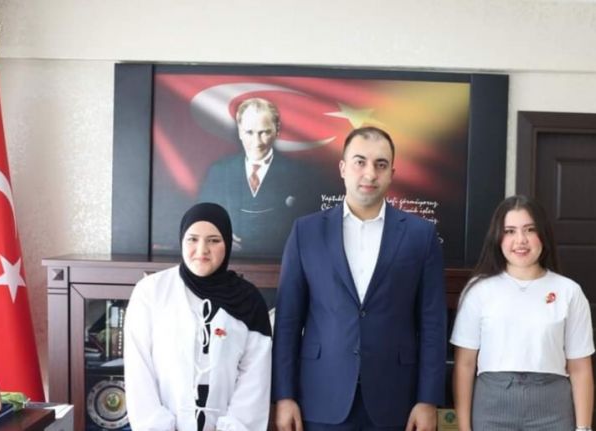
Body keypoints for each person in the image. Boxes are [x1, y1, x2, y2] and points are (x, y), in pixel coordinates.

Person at [272, 126, 446, 431]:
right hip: (320, 397)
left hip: (397, 401)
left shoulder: (421, 235)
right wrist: (284, 396)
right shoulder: (306, 232)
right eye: (360, 162)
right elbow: (287, 321)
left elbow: (433, 325)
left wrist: (427, 400)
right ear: (342, 168)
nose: (370, 173)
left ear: (392, 173)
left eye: (380, 164)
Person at [450, 195, 595, 431]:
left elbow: (580, 368)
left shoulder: (569, 291)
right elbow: (464, 365)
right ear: (498, 237)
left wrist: (584, 428)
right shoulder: (478, 290)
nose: (520, 240)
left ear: (543, 235)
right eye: (510, 231)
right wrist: (464, 428)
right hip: (492, 407)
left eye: (530, 230)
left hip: (553, 407)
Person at [124, 202, 272, 431]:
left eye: (214, 240)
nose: (202, 250)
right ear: (181, 241)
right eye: (192, 239)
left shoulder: (248, 300)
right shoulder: (151, 292)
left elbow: (255, 378)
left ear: (228, 244)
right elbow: (139, 371)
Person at [198, 97, 322, 258]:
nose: (257, 142)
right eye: (249, 132)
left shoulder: (301, 175)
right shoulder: (219, 172)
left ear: (277, 130)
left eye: (264, 132)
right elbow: (202, 220)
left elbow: (310, 229)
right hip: (230, 262)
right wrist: (218, 238)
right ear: (240, 131)